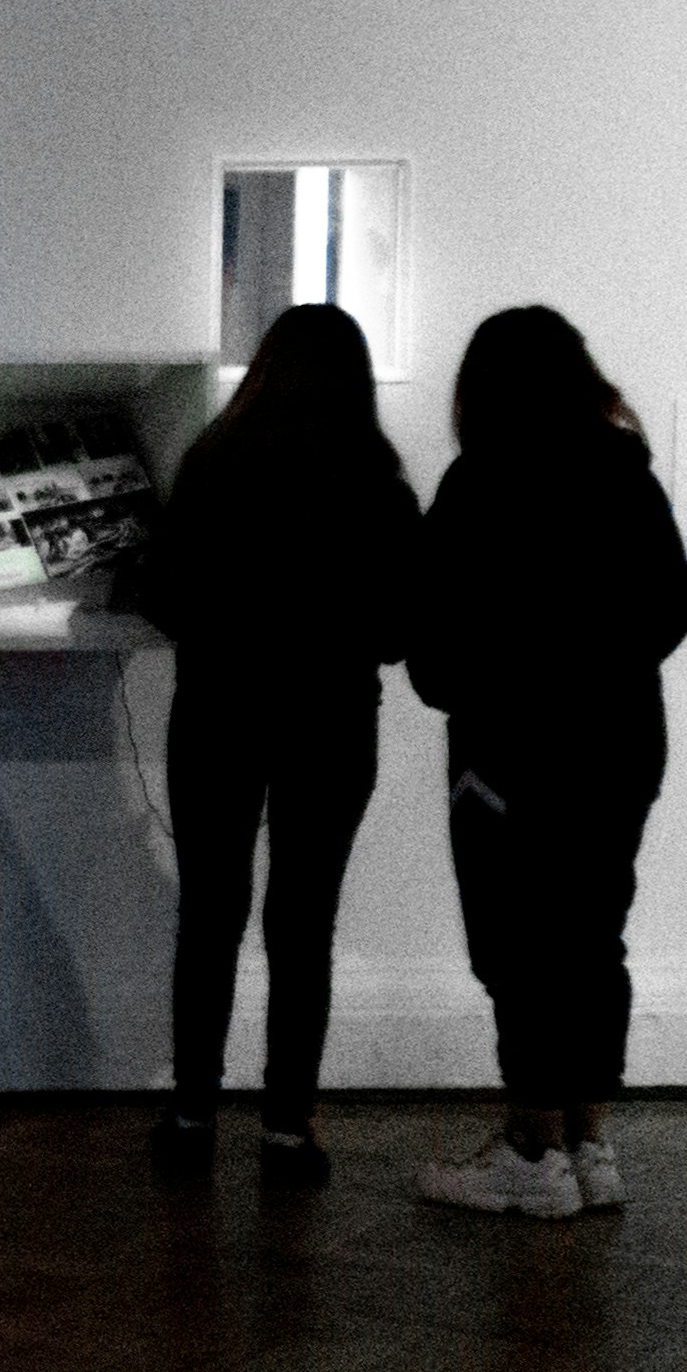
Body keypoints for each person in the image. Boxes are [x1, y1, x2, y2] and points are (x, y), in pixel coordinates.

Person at [405, 305, 687, 1219]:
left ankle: (532, 1153)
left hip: (509, 756)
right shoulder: (625, 475)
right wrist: (603, 668)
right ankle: (590, 1141)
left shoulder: (480, 482)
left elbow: (435, 643)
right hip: (619, 745)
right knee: (591, 934)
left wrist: (493, 683)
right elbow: (677, 599)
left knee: (520, 944)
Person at [119, 301, 422, 1190]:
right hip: (332, 720)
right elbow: (402, 629)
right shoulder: (379, 484)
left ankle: (190, 1113)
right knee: (304, 924)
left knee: (209, 913)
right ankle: (288, 1127)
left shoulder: (215, 465)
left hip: (219, 711)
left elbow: (171, 598)